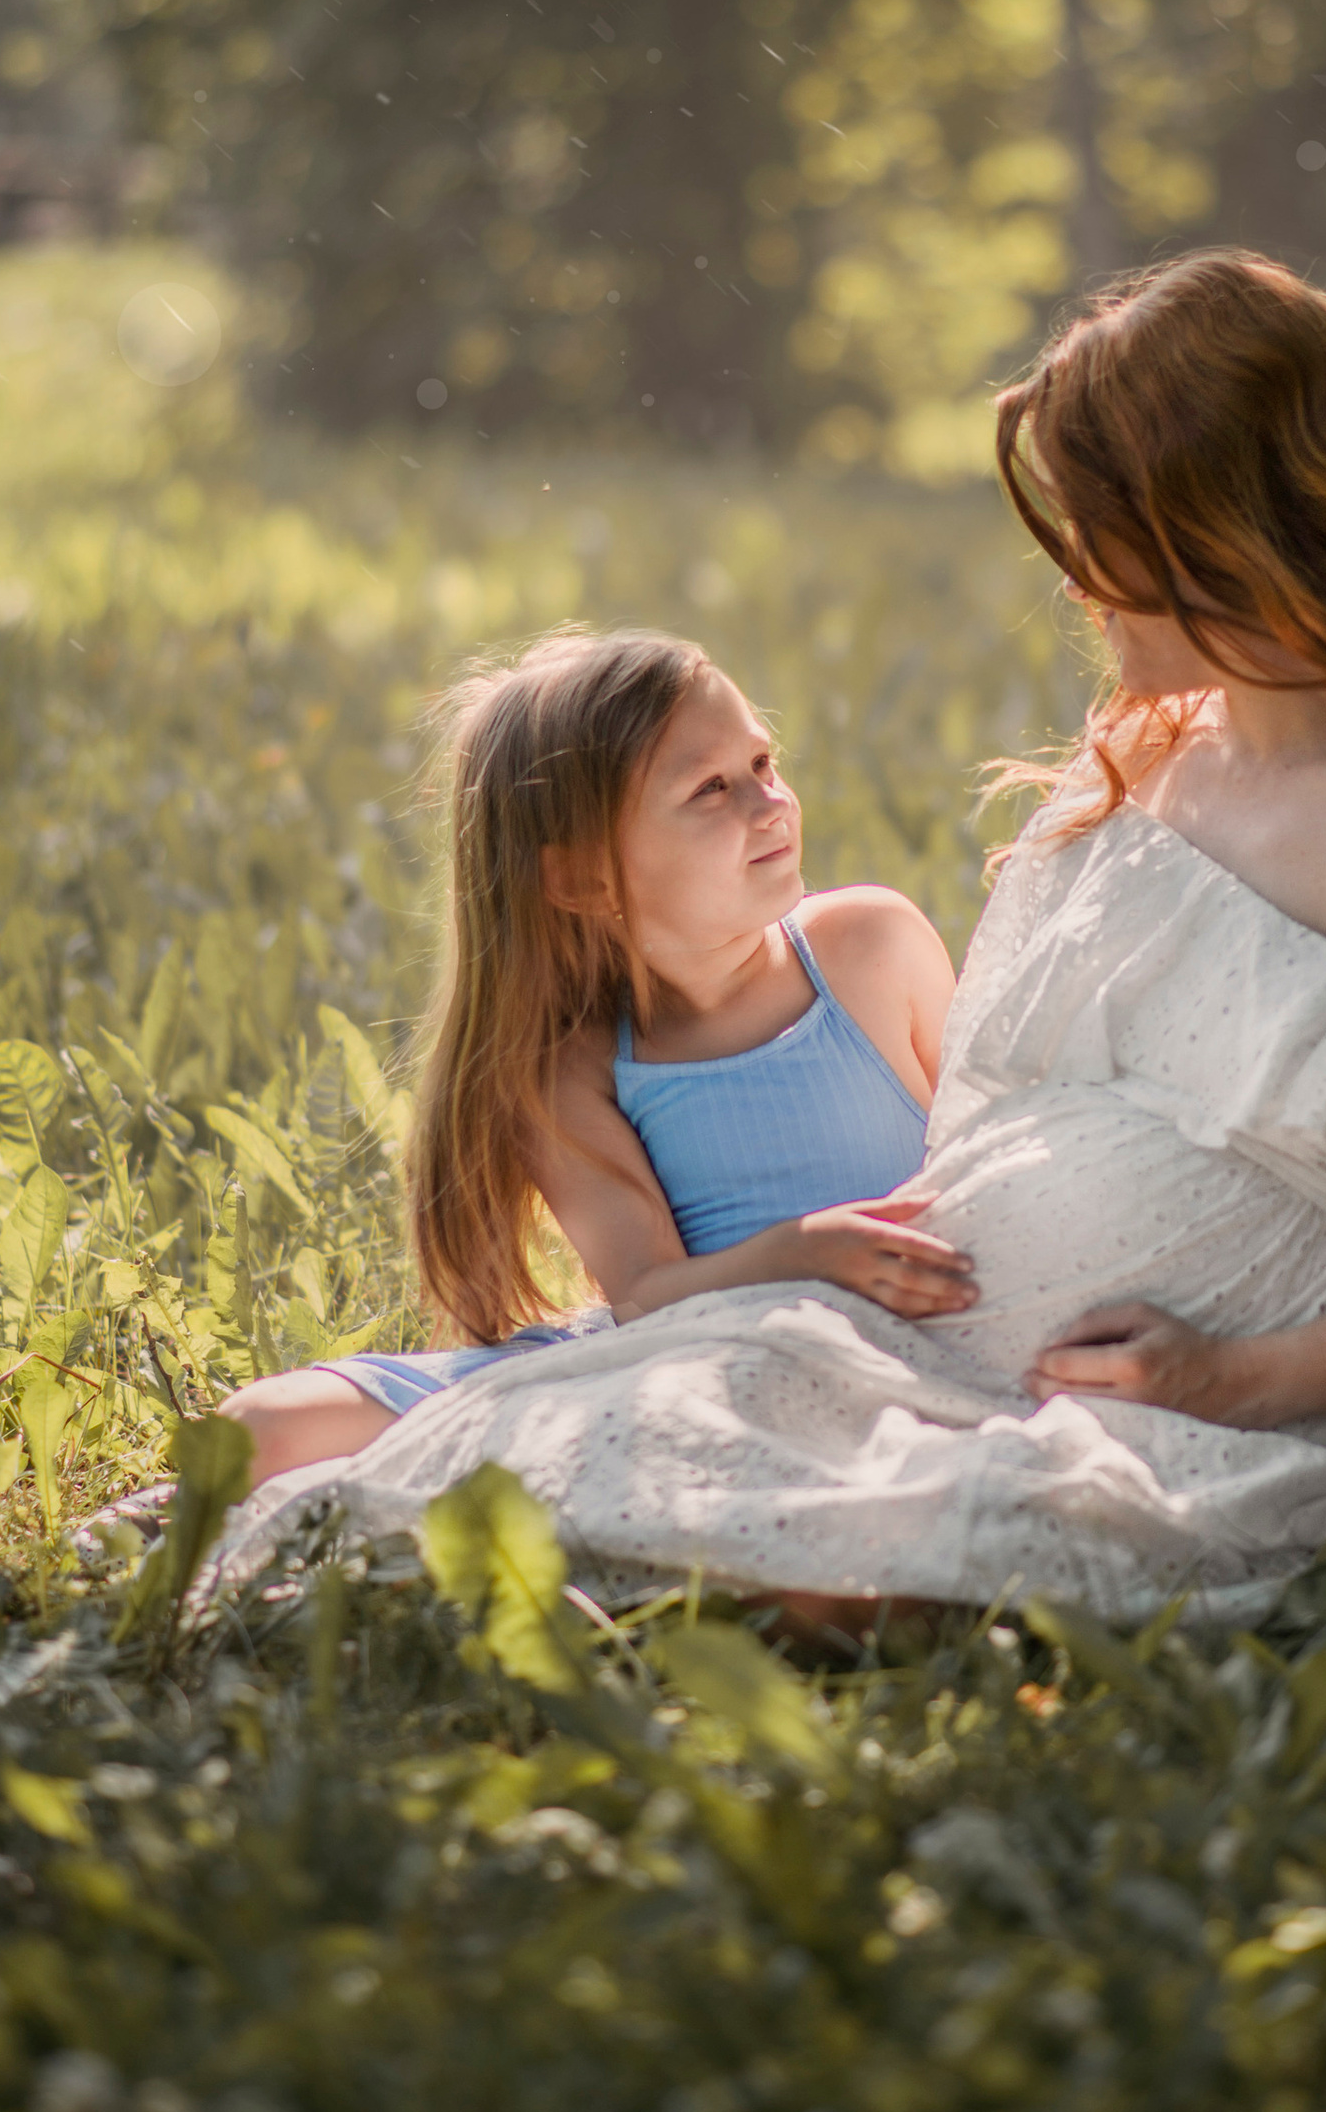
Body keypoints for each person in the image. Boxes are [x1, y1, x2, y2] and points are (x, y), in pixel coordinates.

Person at [224, 251, 1326, 1625]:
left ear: (1226, 518)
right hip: (908, 1354)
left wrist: (1247, 1377)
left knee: (791, 1560)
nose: (1081, 579)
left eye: (1102, 529)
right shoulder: (1155, 748)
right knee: (429, 1476)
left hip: (1202, 1413)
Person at [221, 628, 968, 1487]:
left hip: (913, 1345)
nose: (771, 804)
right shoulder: (572, 1066)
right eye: (711, 789)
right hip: (686, 1360)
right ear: (582, 880)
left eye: (762, 763)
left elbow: (1001, 1147)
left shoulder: (871, 946)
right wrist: (806, 1252)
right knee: (259, 1432)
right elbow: (645, 1291)